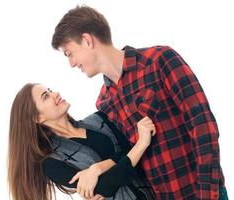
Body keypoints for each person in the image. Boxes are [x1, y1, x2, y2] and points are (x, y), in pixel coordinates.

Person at [51, 5, 228, 200]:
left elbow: (203, 126)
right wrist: (97, 170)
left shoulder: (159, 60)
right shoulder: (105, 102)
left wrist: (206, 195)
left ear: (87, 41)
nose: (72, 63)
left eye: (69, 53)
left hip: (202, 192)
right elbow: (130, 154)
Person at [8, 83, 156, 200]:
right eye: (45, 96)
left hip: (159, 192)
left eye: (50, 90)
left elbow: (129, 148)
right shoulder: (52, 162)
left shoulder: (99, 119)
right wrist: (141, 144)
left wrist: (97, 169)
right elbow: (104, 187)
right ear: (37, 118)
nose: (55, 94)